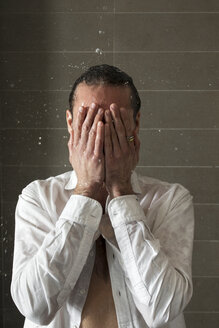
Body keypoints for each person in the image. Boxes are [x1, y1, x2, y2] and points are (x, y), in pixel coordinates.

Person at [10, 64, 194, 328]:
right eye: (89, 121)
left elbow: (164, 308)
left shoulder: (171, 201)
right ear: (70, 124)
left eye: (113, 122)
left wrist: (121, 189)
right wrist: (86, 190)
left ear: (136, 124)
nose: (100, 133)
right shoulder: (38, 198)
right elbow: (34, 306)